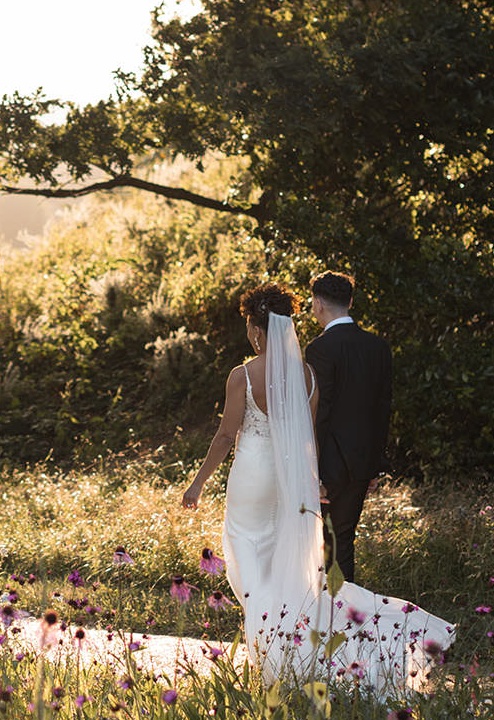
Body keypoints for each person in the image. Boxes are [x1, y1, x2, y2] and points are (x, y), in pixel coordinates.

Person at [182, 281, 452, 696]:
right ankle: (283, 651)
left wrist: (197, 485)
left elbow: (223, 437)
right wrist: (313, 483)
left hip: (252, 482)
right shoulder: (307, 377)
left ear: (256, 330)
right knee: (283, 570)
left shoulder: (242, 375)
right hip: (289, 486)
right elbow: (308, 439)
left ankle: (273, 661)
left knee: (249, 567)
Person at [303, 271, 390, 585]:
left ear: (318, 303)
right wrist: (376, 467)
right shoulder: (378, 347)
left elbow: (320, 413)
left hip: (329, 464)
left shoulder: (320, 349)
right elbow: (382, 409)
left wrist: (314, 470)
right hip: (362, 463)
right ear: (350, 301)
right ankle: (344, 616)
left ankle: (329, 618)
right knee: (344, 540)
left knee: (326, 543)